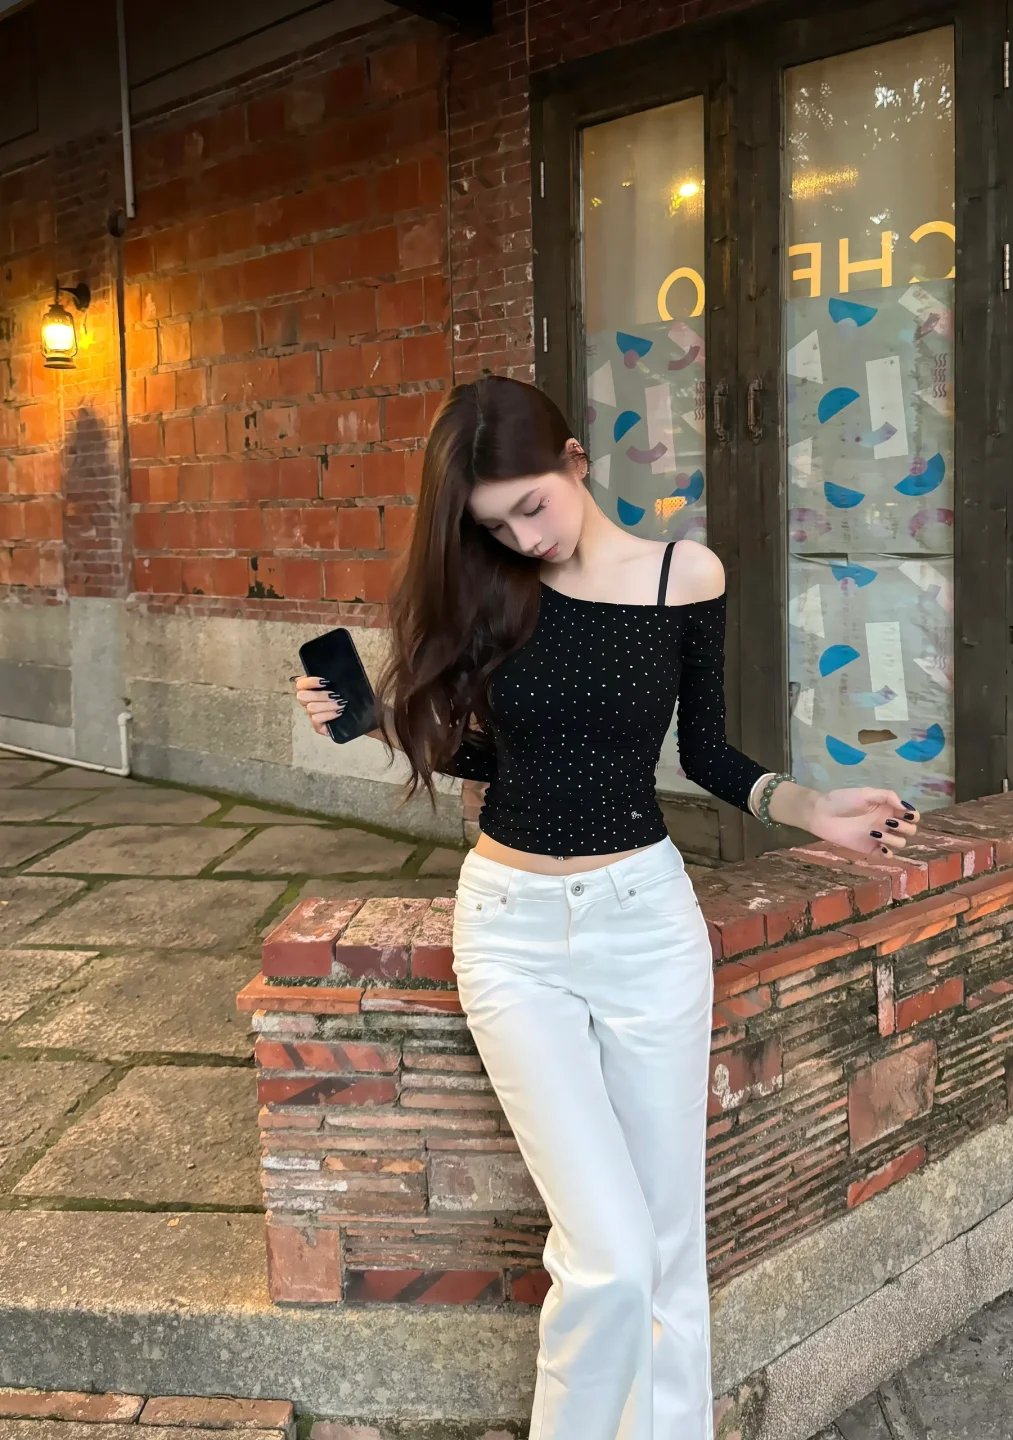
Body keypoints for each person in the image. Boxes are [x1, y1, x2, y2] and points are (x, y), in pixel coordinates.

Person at [295, 374, 920, 1440]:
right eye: (495, 526)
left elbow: (704, 750)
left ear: (576, 462)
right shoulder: (494, 589)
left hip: (644, 926)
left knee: (668, 1250)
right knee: (610, 1256)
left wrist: (812, 807)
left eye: (531, 506)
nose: (523, 538)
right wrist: (373, 722)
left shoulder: (685, 574)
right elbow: (498, 757)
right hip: (512, 934)